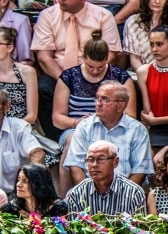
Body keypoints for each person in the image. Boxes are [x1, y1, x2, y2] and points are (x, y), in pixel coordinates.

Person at [30, 0, 122, 141]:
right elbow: (44, 57)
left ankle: (105, 135)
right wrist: (67, 80)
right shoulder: (48, 16)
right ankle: (57, 139)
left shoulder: (102, 16)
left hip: (94, 73)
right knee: (42, 86)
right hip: (58, 75)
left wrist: (89, 76)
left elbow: (110, 54)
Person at [53, 30, 136, 189]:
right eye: (91, 66)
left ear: (107, 59)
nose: (96, 71)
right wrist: (77, 122)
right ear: (83, 58)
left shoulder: (120, 76)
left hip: (112, 125)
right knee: (73, 141)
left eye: (100, 66)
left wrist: (107, 121)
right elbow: (57, 117)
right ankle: (68, 198)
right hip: (75, 127)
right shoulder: (69, 76)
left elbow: (130, 114)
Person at [63, 80, 153, 187]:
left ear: (120, 105)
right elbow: (76, 166)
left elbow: (140, 171)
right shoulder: (84, 126)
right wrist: (88, 196)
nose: (98, 103)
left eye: (105, 99)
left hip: (123, 193)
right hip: (90, 190)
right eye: (97, 98)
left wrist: (122, 198)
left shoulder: (138, 130)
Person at [0, 85, 44, 193]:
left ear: (6, 107)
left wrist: (27, 180)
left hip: (14, 196)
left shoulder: (18, 128)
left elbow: (37, 153)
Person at [0, 27, 37, 125]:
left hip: (21, 128)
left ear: (9, 47)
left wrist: (12, 130)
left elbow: (32, 115)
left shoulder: (27, 72)